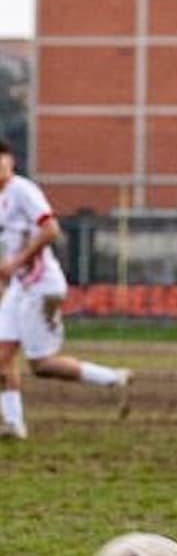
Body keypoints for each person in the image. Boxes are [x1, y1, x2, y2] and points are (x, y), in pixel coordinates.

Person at [0, 139, 132, 440]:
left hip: (42, 286)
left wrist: (17, 261)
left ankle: (112, 378)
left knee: (42, 365)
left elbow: (50, 229)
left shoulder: (23, 191)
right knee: (1, 357)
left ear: (11, 163)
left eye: (2, 159)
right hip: (20, 287)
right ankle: (13, 424)